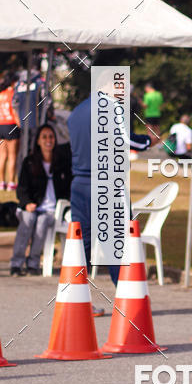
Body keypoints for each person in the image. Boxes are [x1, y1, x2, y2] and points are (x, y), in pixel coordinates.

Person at [68, 94, 151, 314]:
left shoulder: (76, 111)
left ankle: (77, 301)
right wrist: (149, 139)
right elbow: (127, 140)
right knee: (118, 243)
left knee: (81, 245)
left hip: (80, 183)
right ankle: (127, 298)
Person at [10, 124, 71, 276]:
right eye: (44, 137)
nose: (48, 140)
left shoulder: (62, 163)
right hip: (32, 206)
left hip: (52, 210)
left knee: (42, 222)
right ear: (38, 141)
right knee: (28, 220)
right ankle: (16, 264)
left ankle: (33, 264)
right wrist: (27, 203)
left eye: (51, 137)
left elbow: (68, 189)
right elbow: (22, 189)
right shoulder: (29, 162)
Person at [0, 73, 21, 191]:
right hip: (11, 125)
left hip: (0, 125)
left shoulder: (0, 95)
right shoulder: (13, 94)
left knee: (3, 156)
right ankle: (11, 183)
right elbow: (14, 112)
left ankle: (2, 182)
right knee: (12, 156)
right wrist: (20, 126)